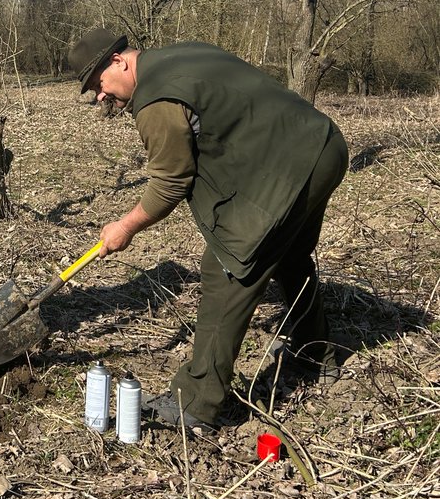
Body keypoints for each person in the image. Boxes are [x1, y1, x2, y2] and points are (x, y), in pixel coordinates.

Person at [67, 30, 349, 434]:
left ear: (118, 62)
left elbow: (170, 183)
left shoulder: (156, 100)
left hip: (291, 167)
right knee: (288, 255)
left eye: (98, 83)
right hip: (323, 145)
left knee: (227, 266)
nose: (100, 95)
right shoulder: (183, 54)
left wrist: (124, 227)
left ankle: (196, 402)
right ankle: (315, 355)